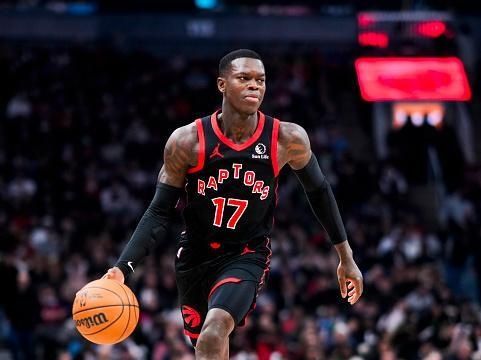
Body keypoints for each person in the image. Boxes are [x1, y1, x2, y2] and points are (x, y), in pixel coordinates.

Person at [103, 49, 363, 359]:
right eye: (244, 78)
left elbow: (319, 191)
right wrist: (122, 268)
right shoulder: (188, 142)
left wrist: (345, 257)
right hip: (195, 258)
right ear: (222, 85)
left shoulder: (286, 139)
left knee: (215, 329)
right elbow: (159, 211)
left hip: (246, 253)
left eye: (261, 80)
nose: (255, 86)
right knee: (206, 346)